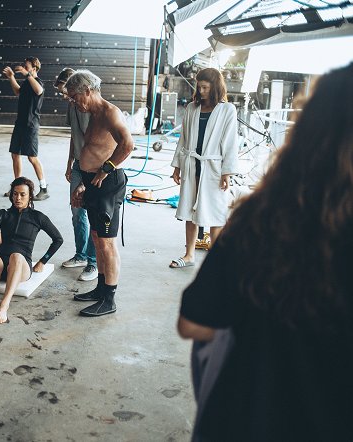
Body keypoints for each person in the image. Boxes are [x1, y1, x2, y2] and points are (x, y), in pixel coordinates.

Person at [177, 62, 353, 441]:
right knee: (193, 212)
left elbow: (194, 323)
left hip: (251, 417)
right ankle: (192, 248)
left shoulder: (264, 221)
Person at [66, 70, 134, 317]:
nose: (74, 102)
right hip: (94, 184)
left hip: (108, 186)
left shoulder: (109, 113)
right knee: (96, 238)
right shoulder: (92, 114)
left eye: (75, 97)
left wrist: (106, 170)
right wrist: (84, 182)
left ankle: (110, 298)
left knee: (106, 243)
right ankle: (100, 289)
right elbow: (93, 151)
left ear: (87, 90)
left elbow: (127, 144)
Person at [169, 67, 238, 268]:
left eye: (205, 88)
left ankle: (216, 260)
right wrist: (177, 167)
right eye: (199, 87)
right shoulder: (192, 108)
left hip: (213, 167)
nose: (201, 91)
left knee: (215, 212)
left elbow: (231, 142)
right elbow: (183, 140)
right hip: (192, 164)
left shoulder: (227, 110)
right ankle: (189, 255)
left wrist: (227, 172)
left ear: (215, 87)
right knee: (191, 210)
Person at [0, 177, 63, 324]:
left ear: (30, 196)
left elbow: (58, 239)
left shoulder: (38, 217)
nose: (18, 198)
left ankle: (4, 306)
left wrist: (43, 261)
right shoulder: (4, 214)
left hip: (20, 267)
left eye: (23, 194)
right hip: (0, 267)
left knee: (16, 256)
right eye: (15, 194)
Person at [54, 67, 97, 282]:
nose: (66, 98)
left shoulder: (92, 108)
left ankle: (92, 262)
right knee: (77, 211)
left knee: (93, 214)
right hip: (79, 164)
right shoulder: (72, 106)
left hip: (95, 168)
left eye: (67, 94)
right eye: (64, 94)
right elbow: (74, 135)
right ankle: (81, 255)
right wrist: (70, 162)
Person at [2, 57, 49, 200]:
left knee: (32, 157)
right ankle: (16, 187)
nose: (23, 67)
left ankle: (44, 188)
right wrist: (11, 77)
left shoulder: (37, 82)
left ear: (34, 68)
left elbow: (39, 90)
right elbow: (18, 92)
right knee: (15, 154)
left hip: (31, 125)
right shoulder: (27, 83)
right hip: (20, 123)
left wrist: (26, 74)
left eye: (26, 66)